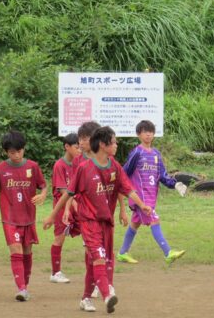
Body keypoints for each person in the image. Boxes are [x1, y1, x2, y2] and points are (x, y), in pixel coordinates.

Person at [44, 126, 152, 313]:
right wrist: (53, 215)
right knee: (99, 258)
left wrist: (141, 205)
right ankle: (107, 294)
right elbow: (67, 194)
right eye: (114, 141)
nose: (117, 145)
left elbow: (127, 188)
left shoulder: (114, 166)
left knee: (97, 261)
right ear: (103, 144)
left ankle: (86, 298)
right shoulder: (83, 168)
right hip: (89, 222)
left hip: (106, 222)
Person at [0, 130, 47, 302]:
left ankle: (25, 286)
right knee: (16, 250)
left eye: (19, 151)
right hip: (10, 217)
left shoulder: (33, 167)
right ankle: (21, 289)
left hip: (28, 217)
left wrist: (43, 194)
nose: (16, 155)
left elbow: (43, 185)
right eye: (12, 152)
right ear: (6, 152)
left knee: (27, 252)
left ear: (24, 149)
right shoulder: (0, 169)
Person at [69, 121, 128, 298]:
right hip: (87, 215)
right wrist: (70, 209)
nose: (81, 142)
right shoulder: (79, 162)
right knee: (93, 253)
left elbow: (118, 186)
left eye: (85, 139)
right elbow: (72, 190)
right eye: (80, 139)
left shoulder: (110, 161)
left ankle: (99, 286)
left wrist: (122, 209)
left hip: (105, 216)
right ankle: (98, 287)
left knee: (101, 253)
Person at [117, 120, 187, 265]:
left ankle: (122, 253)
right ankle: (168, 252)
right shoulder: (137, 152)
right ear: (138, 134)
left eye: (151, 131)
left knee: (135, 223)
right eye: (145, 131)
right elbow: (124, 173)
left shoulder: (156, 154)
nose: (148, 134)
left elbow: (162, 175)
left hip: (151, 195)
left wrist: (175, 185)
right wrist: (126, 191)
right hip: (139, 197)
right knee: (155, 219)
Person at [49, 133, 81, 283]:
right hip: (62, 206)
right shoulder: (59, 165)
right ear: (67, 147)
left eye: (81, 147)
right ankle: (55, 273)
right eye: (76, 147)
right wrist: (72, 202)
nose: (79, 150)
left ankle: (96, 268)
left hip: (79, 205)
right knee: (59, 237)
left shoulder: (80, 163)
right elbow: (63, 190)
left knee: (90, 235)